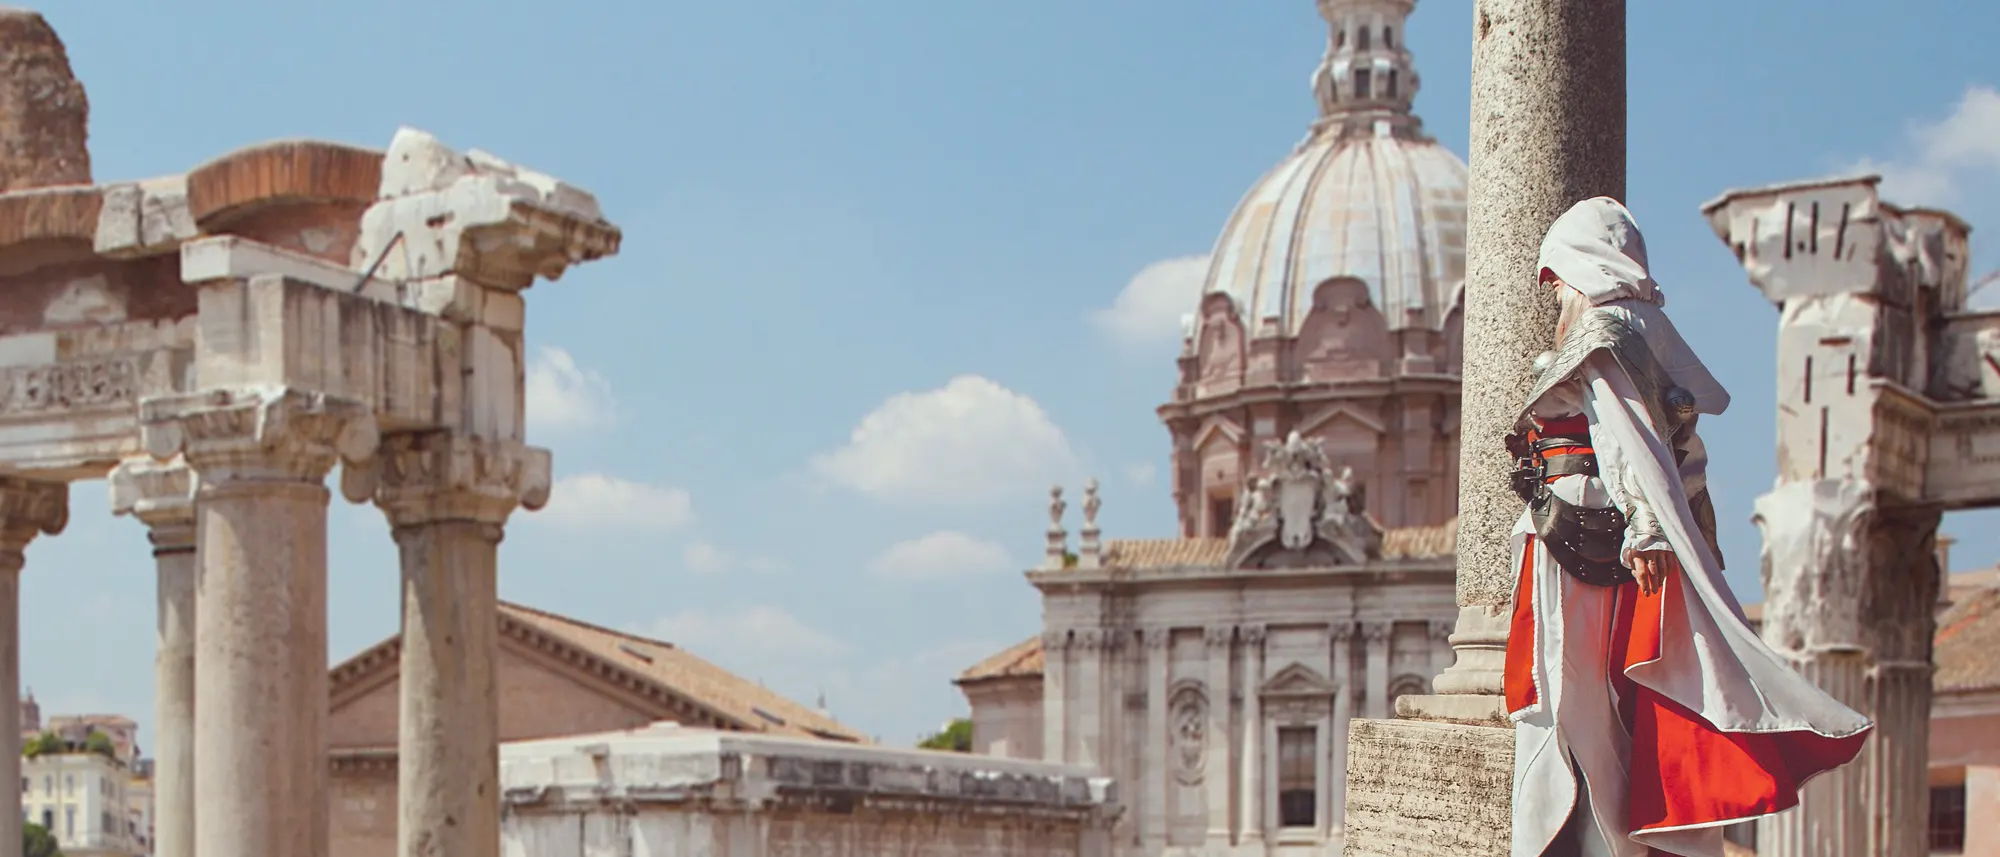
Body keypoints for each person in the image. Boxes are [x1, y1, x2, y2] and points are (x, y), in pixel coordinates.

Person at [1503, 197, 1873, 857]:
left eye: (1556, 278)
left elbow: (1630, 438)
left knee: (1566, 700)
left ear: (1581, 266)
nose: (1554, 292)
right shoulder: (1648, 329)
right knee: (1605, 702)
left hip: (1579, 533)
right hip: (1601, 533)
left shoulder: (1602, 331)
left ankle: (1578, 840)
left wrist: (1647, 527)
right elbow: (1684, 454)